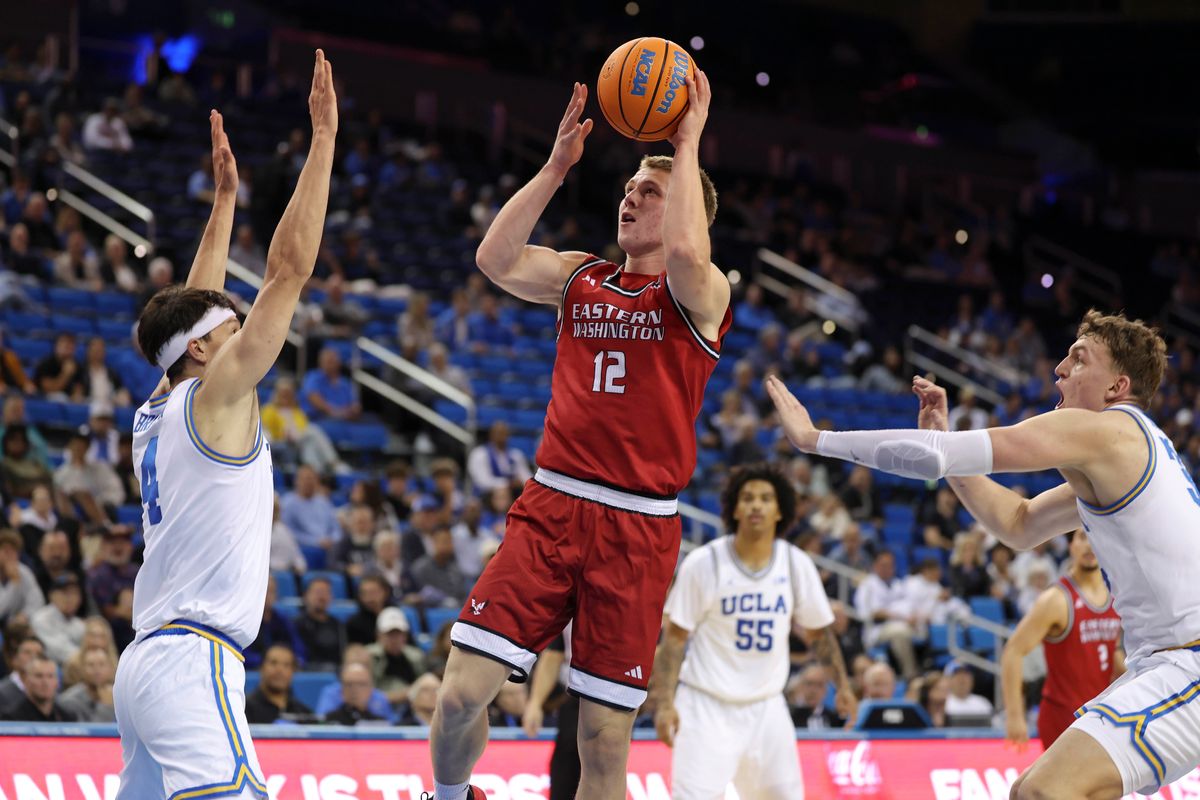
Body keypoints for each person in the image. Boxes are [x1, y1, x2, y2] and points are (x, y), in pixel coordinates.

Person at [432, 73, 730, 800]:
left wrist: (685, 142)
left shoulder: (702, 292)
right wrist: (557, 167)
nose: (630, 196)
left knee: (601, 744)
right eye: (628, 186)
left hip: (637, 528)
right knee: (458, 694)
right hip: (552, 507)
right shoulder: (581, 278)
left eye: (650, 191)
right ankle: (445, 796)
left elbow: (689, 256)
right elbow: (495, 260)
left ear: (687, 208)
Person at [766, 309, 1196, 799]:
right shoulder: (1127, 451)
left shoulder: (1108, 430)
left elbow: (932, 455)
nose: (1059, 368)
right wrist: (946, 445)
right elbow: (1017, 525)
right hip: (1164, 662)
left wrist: (815, 439)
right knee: (1029, 790)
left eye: (1079, 360)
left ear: (1117, 387)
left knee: (1045, 792)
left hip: (1189, 661)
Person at [113, 55, 336, 800]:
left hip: (143, 666)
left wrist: (225, 202)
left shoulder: (157, 408)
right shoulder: (217, 397)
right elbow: (290, 270)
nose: (249, 337)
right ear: (207, 350)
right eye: (234, 330)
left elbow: (195, 306)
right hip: (193, 660)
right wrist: (326, 137)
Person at [651, 464, 855, 800]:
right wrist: (664, 703)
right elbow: (674, 639)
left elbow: (819, 634)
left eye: (765, 498)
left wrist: (843, 686)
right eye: (747, 498)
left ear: (780, 510)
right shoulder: (705, 562)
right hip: (706, 706)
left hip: (767, 707)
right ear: (734, 508)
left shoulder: (795, 563)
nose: (756, 505)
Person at [1001, 528, 1123, 750]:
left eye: (1095, 536)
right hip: (1062, 718)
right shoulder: (1055, 599)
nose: (1089, 545)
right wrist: (1015, 715)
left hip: (1100, 717)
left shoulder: (1116, 595)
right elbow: (1013, 650)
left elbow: (1110, 654)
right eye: (1082, 537)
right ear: (1071, 545)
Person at [243, 644, 314, 724]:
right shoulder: (243, 709)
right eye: (273, 663)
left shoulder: (304, 714)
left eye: (286, 665)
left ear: (293, 671)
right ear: (261, 667)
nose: (279, 670)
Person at [0, 653, 76, 721]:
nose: (45, 682)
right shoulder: (11, 719)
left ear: (57, 681)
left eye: (50, 676)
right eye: (39, 676)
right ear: (26, 680)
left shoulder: (67, 717)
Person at [57, 645, 116, 722]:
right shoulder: (69, 701)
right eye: (91, 665)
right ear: (82, 669)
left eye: (101, 664)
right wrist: (106, 706)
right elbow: (89, 733)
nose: (97, 670)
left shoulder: (118, 694)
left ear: (110, 668)